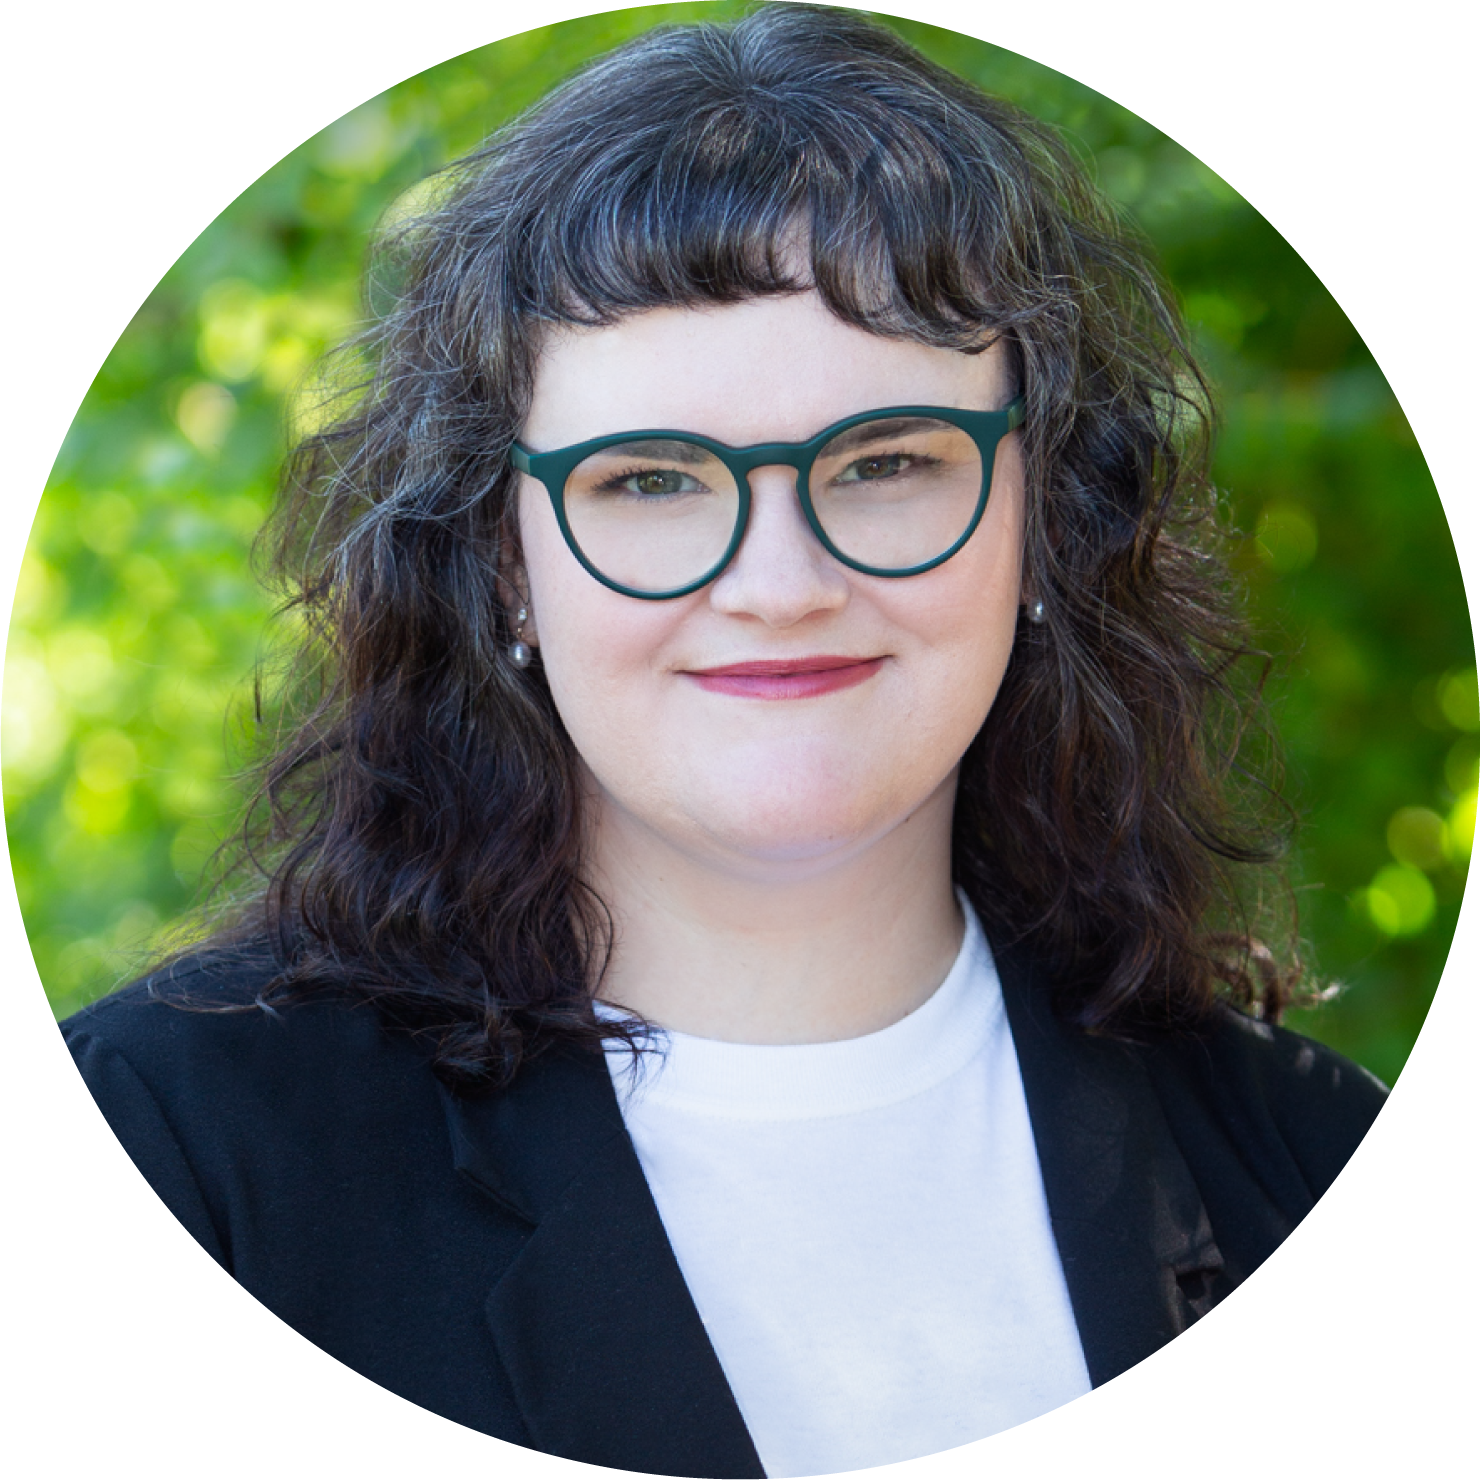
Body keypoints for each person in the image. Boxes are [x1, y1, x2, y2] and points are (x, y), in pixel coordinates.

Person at [60, 8, 1388, 1473]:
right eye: (651, 483)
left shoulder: (1299, 1158)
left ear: (1042, 519)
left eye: (885, 463)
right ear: (504, 560)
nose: (779, 584)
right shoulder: (183, 1155)